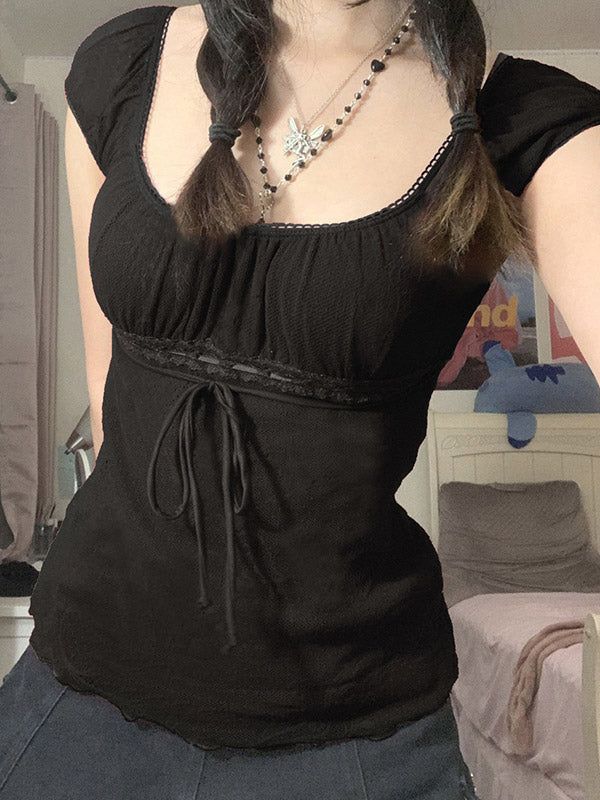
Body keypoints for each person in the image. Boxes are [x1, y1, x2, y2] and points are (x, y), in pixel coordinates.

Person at [1, 1, 599, 797]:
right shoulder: (124, 61)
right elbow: (112, 402)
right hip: (70, 703)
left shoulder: (526, 118)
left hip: (354, 738)